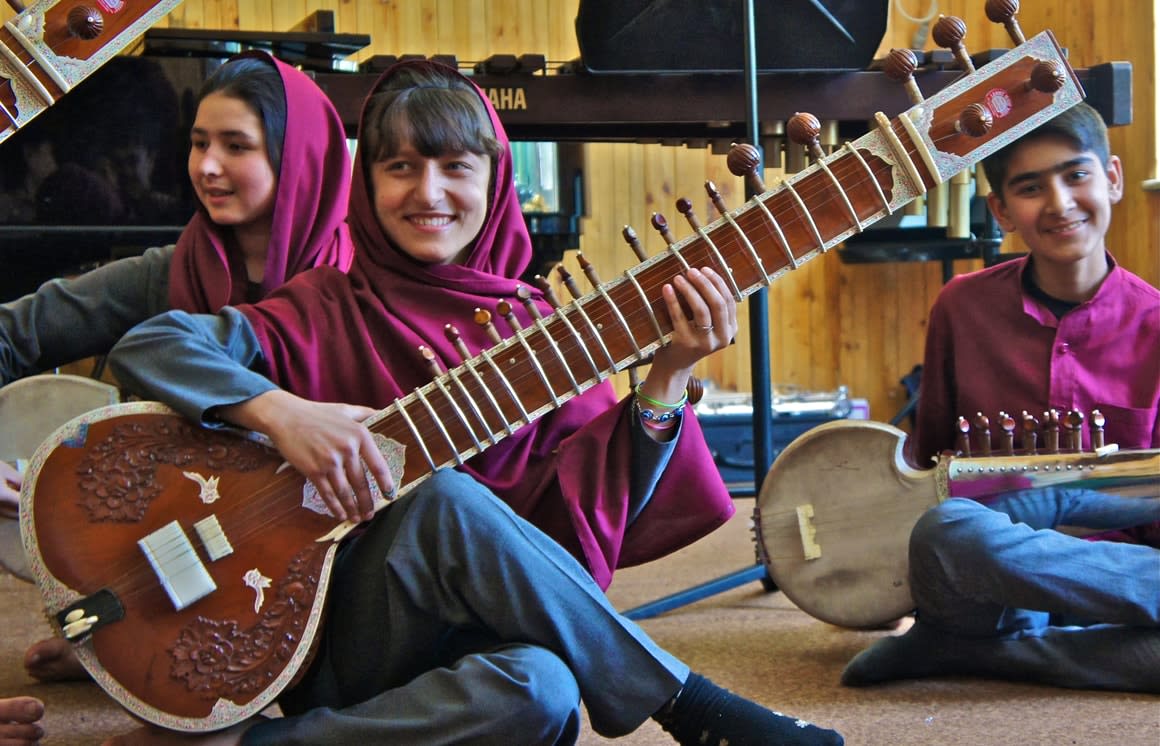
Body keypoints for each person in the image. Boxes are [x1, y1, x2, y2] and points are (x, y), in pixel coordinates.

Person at [102, 60, 845, 745]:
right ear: (369, 185)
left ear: (494, 182)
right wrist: (285, 415)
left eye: (455, 167)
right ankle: (691, 708)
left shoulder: (540, 331)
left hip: (484, 635)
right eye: (399, 168)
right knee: (443, 500)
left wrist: (669, 378)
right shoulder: (318, 306)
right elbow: (152, 346)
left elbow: (581, 532)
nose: (428, 194)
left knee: (543, 692)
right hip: (331, 632)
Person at [0, 49, 355, 743]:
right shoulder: (168, 273)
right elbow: (12, 332)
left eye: (236, 146)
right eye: (198, 144)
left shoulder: (359, 286)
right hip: (167, 538)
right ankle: (126, 630)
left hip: (317, 564)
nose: (208, 167)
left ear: (299, 159)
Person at [840, 101, 1160, 692]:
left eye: (1076, 175)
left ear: (1112, 178)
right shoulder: (961, 307)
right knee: (947, 529)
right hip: (990, 576)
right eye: (1032, 188)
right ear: (1002, 210)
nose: (1060, 203)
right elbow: (930, 470)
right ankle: (1016, 644)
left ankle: (976, 655)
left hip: (1118, 587)